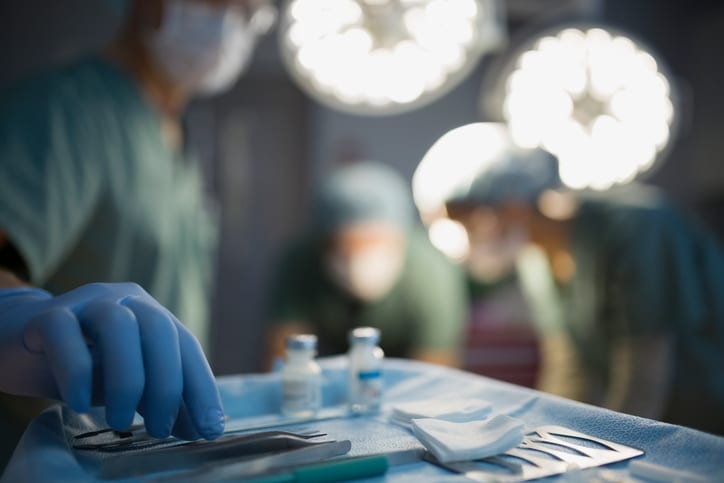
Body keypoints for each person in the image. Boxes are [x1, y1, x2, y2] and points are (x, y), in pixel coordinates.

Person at [0, 0, 272, 465]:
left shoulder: (176, 135)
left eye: (248, 10)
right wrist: (20, 320)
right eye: (215, 2)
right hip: (53, 457)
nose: (230, 20)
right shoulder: (63, 111)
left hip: (146, 455)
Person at [443, 146, 724, 435]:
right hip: (649, 415)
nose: (471, 238)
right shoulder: (534, 257)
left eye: (471, 223)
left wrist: (614, 448)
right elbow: (568, 365)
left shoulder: (637, 227)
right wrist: (547, 438)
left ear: (514, 207)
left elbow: (645, 372)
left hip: (704, 408)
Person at [265, 161, 468, 368]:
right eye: (345, 248)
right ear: (322, 243)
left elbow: (436, 375)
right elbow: (285, 364)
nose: (358, 262)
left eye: (374, 243)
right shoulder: (300, 262)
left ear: (401, 237)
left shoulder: (432, 274)